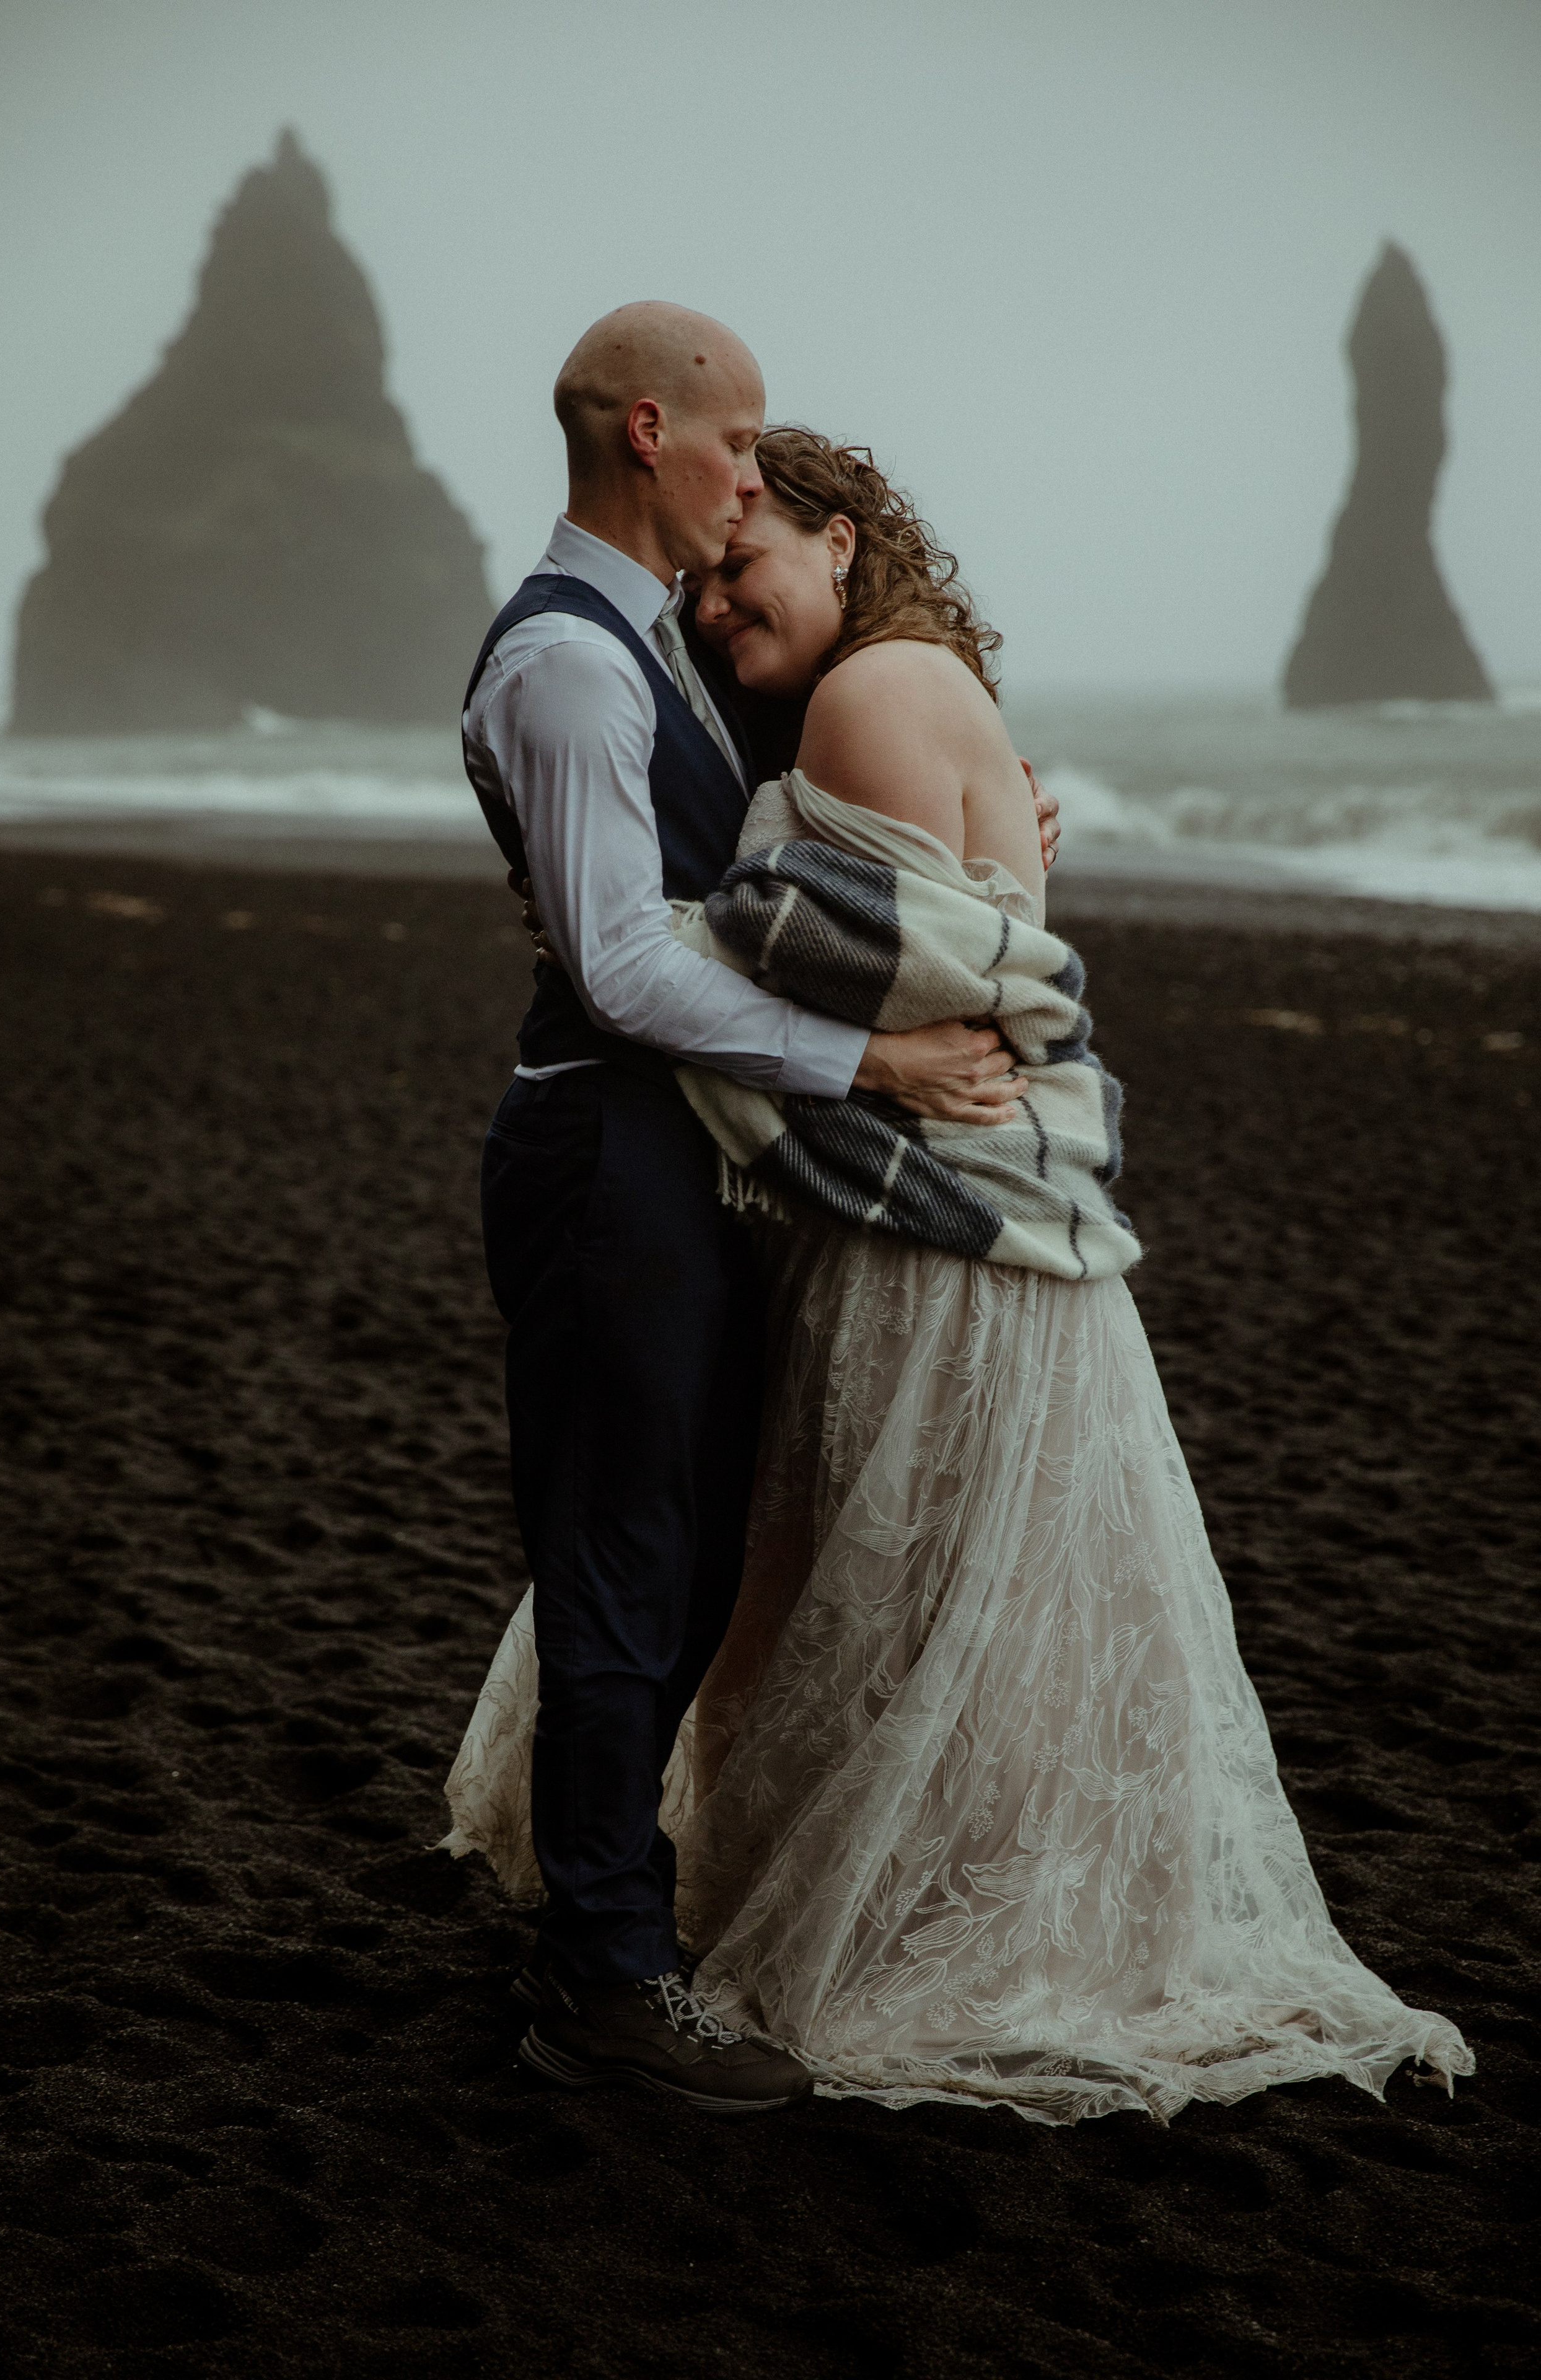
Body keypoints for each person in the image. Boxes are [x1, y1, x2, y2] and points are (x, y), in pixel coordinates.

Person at [449, 426, 1472, 2124]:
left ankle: (728, 1922)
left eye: (747, 559)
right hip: (943, 1214)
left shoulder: (865, 701)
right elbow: (900, 935)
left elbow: (838, 955)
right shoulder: (856, 697)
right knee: (866, 1584)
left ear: (844, 541)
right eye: (703, 581)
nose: (713, 605)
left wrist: (607, 922)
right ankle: (661, 1926)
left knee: (855, 1584)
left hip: (930, 1224)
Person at [450, 309, 1057, 2115]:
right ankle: (606, 1981)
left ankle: (616, 1914)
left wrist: (988, 849)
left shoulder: (671, 650)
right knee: (624, 1559)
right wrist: (876, 1069)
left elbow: (776, 876)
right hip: (600, 1150)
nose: (753, 470)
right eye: (742, 440)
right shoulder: (568, 663)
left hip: (687, 1148)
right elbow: (628, 964)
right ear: (657, 433)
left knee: (691, 1553)